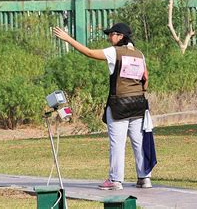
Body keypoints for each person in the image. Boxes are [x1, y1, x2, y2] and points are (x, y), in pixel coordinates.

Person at [53, 23, 155, 190]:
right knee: (138, 142)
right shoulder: (139, 54)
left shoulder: (113, 52)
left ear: (120, 36)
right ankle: (145, 178)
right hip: (138, 104)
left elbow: (89, 53)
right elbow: (145, 78)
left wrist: (68, 39)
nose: (109, 37)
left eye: (112, 34)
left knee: (117, 143)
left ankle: (115, 180)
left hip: (118, 105)